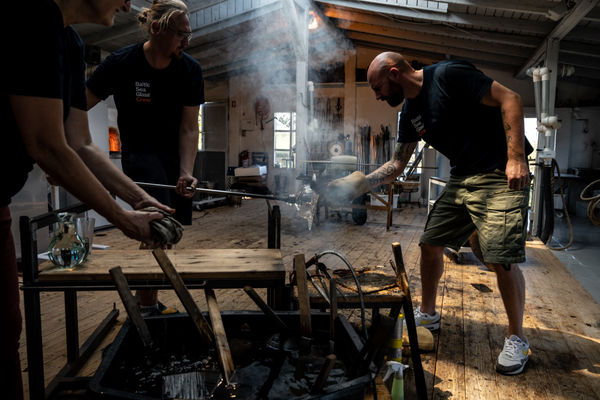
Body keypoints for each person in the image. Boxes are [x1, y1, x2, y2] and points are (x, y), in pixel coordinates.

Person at [2, 1, 175, 398]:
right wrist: (121, 218)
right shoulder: (28, 20)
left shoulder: (70, 43)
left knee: (6, 328)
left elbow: (81, 143)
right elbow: (48, 145)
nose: (129, 5)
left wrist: (139, 198)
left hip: (0, 204)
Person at [328, 52, 532, 375]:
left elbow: (511, 98)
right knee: (430, 242)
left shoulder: (449, 75)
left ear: (394, 74)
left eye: (377, 87)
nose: (378, 96)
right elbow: (397, 165)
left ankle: (517, 338)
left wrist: (517, 157)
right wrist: (360, 183)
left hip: (497, 170)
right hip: (463, 176)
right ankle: (428, 313)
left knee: (501, 255)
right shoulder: (409, 112)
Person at [86, 0, 204, 316]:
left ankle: (147, 300)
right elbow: (78, 104)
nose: (186, 41)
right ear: (157, 28)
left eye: (188, 35)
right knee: (158, 227)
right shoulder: (122, 63)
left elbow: (189, 129)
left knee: (168, 233)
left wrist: (186, 172)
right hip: (140, 156)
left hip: (173, 157)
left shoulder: (191, 70)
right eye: (181, 34)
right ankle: (148, 305)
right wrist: (63, 144)